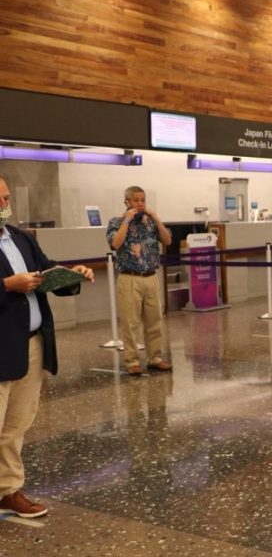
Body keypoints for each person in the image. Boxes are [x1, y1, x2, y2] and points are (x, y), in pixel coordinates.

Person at [0, 174, 94, 517]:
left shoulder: (22, 239)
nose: (4, 206)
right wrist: (7, 285)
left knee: (16, 425)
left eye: (6, 198)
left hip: (32, 344)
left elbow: (45, 274)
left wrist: (71, 276)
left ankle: (8, 489)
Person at [106, 186, 173, 375]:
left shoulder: (150, 223)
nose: (140, 204)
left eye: (143, 200)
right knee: (130, 322)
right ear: (127, 202)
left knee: (154, 320)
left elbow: (167, 241)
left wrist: (157, 219)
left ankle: (155, 357)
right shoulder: (116, 222)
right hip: (130, 278)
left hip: (150, 276)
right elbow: (115, 243)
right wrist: (126, 221)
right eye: (136, 200)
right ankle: (132, 361)